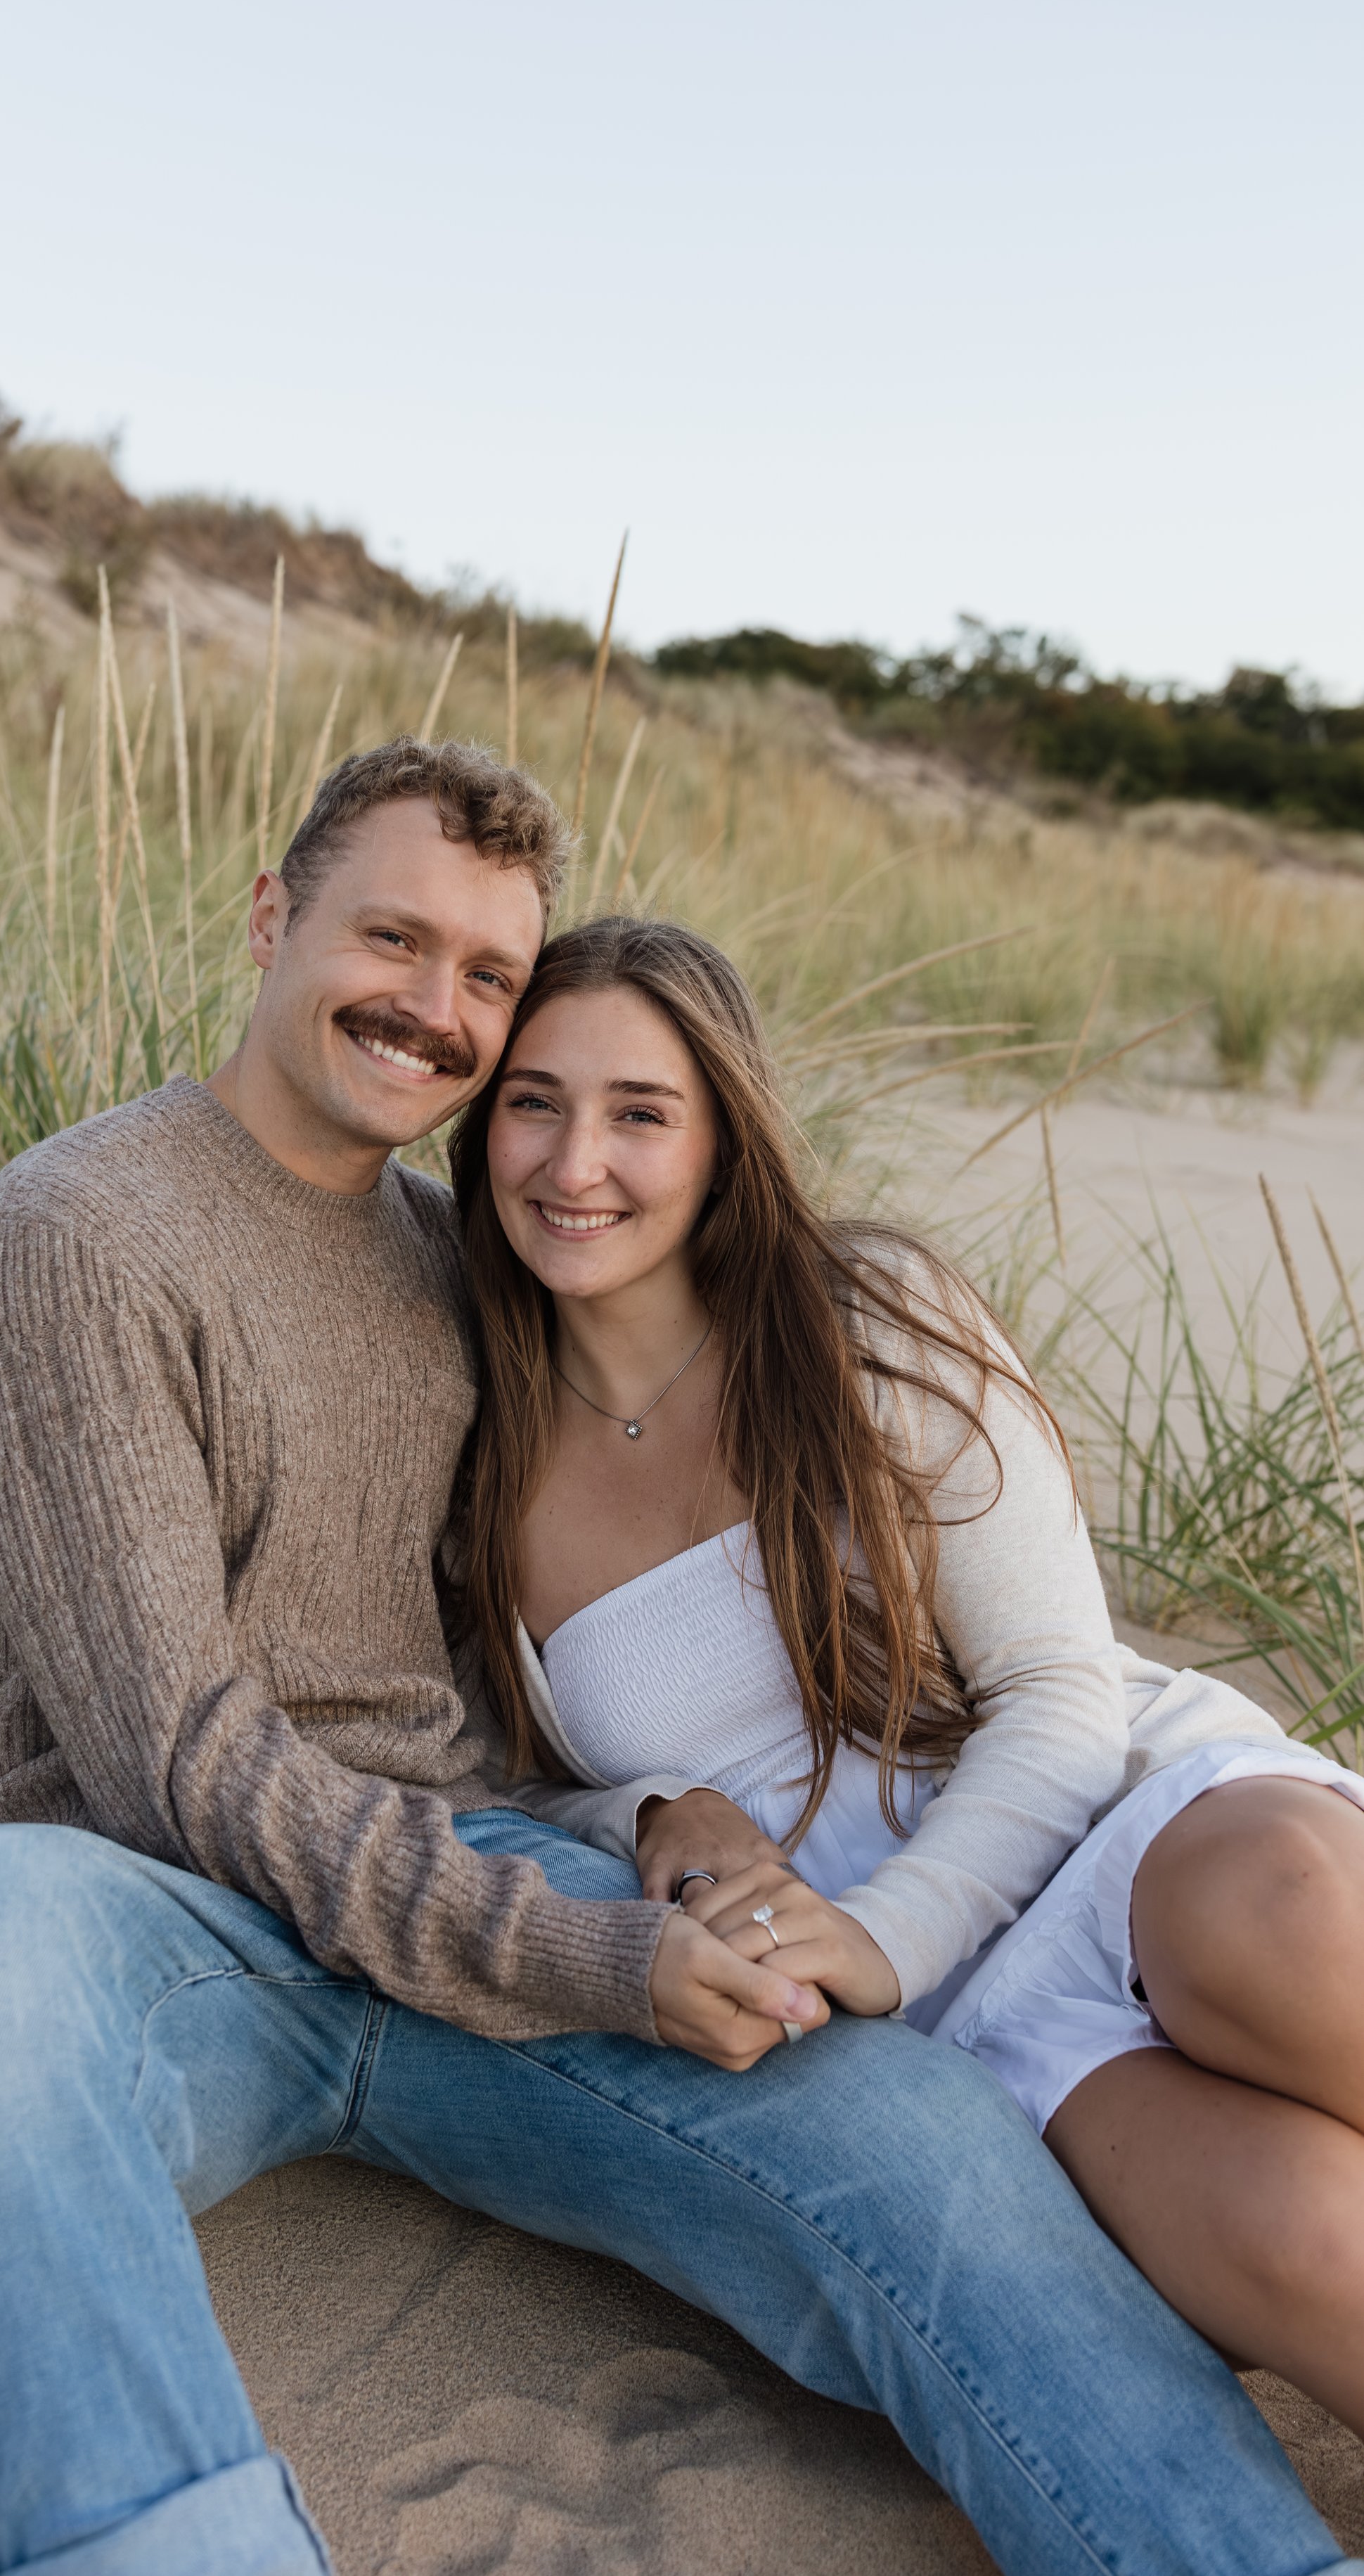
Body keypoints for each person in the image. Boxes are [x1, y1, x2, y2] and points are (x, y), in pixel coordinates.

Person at [0, 738, 1359, 2576]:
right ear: (267, 916)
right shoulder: (83, 1230)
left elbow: (517, 1714)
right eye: (391, 937)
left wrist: (641, 1847)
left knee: (935, 2159)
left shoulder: (467, 1269)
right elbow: (189, 1764)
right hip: (177, 1916)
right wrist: (601, 1928)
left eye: (485, 974)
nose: (434, 1008)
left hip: (506, 1893)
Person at [450, 909, 1364, 2438]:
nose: (571, 1161)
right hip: (964, 2022)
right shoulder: (470, 1447)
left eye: (638, 1112)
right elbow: (503, 1774)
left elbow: (1059, 1686)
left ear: (724, 1140)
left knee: (1273, 1911)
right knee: (1306, 2243)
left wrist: (880, 1931)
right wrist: (653, 1809)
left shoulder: (862, 1314)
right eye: (532, 1101)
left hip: (1112, 1827)